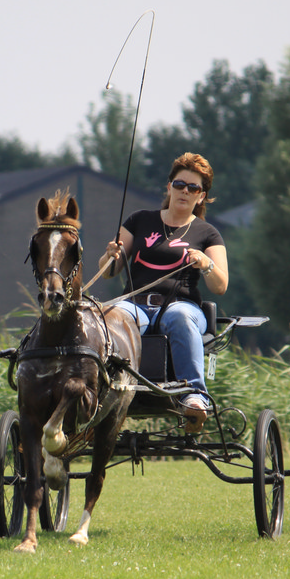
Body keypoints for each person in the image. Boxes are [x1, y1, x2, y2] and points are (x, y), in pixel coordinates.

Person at [99, 152, 228, 429]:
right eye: (180, 184)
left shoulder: (208, 233)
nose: (185, 191)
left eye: (193, 188)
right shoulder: (139, 221)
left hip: (181, 306)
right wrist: (111, 255)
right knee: (109, 317)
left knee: (179, 317)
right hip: (135, 304)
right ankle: (99, 388)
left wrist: (206, 264)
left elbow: (220, 286)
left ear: (201, 197)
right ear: (169, 187)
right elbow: (109, 270)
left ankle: (194, 396)